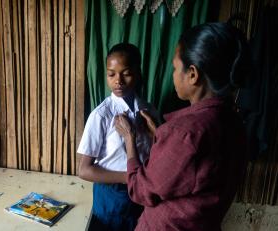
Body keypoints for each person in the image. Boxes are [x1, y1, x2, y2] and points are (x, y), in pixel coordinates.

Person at [115, 22, 250, 231]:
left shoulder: (185, 133)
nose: (173, 75)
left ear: (193, 74)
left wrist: (129, 140)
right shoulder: (234, 122)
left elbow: (141, 190)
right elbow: (191, 173)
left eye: (175, 68)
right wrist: (162, 136)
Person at [77, 43, 159, 231]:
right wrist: (129, 178)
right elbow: (84, 170)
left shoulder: (149, 111)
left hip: (143, 194)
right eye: (111, 74)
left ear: (137, 73)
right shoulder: (102, 115)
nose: (118, 81)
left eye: (126, 73)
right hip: (112, 195)